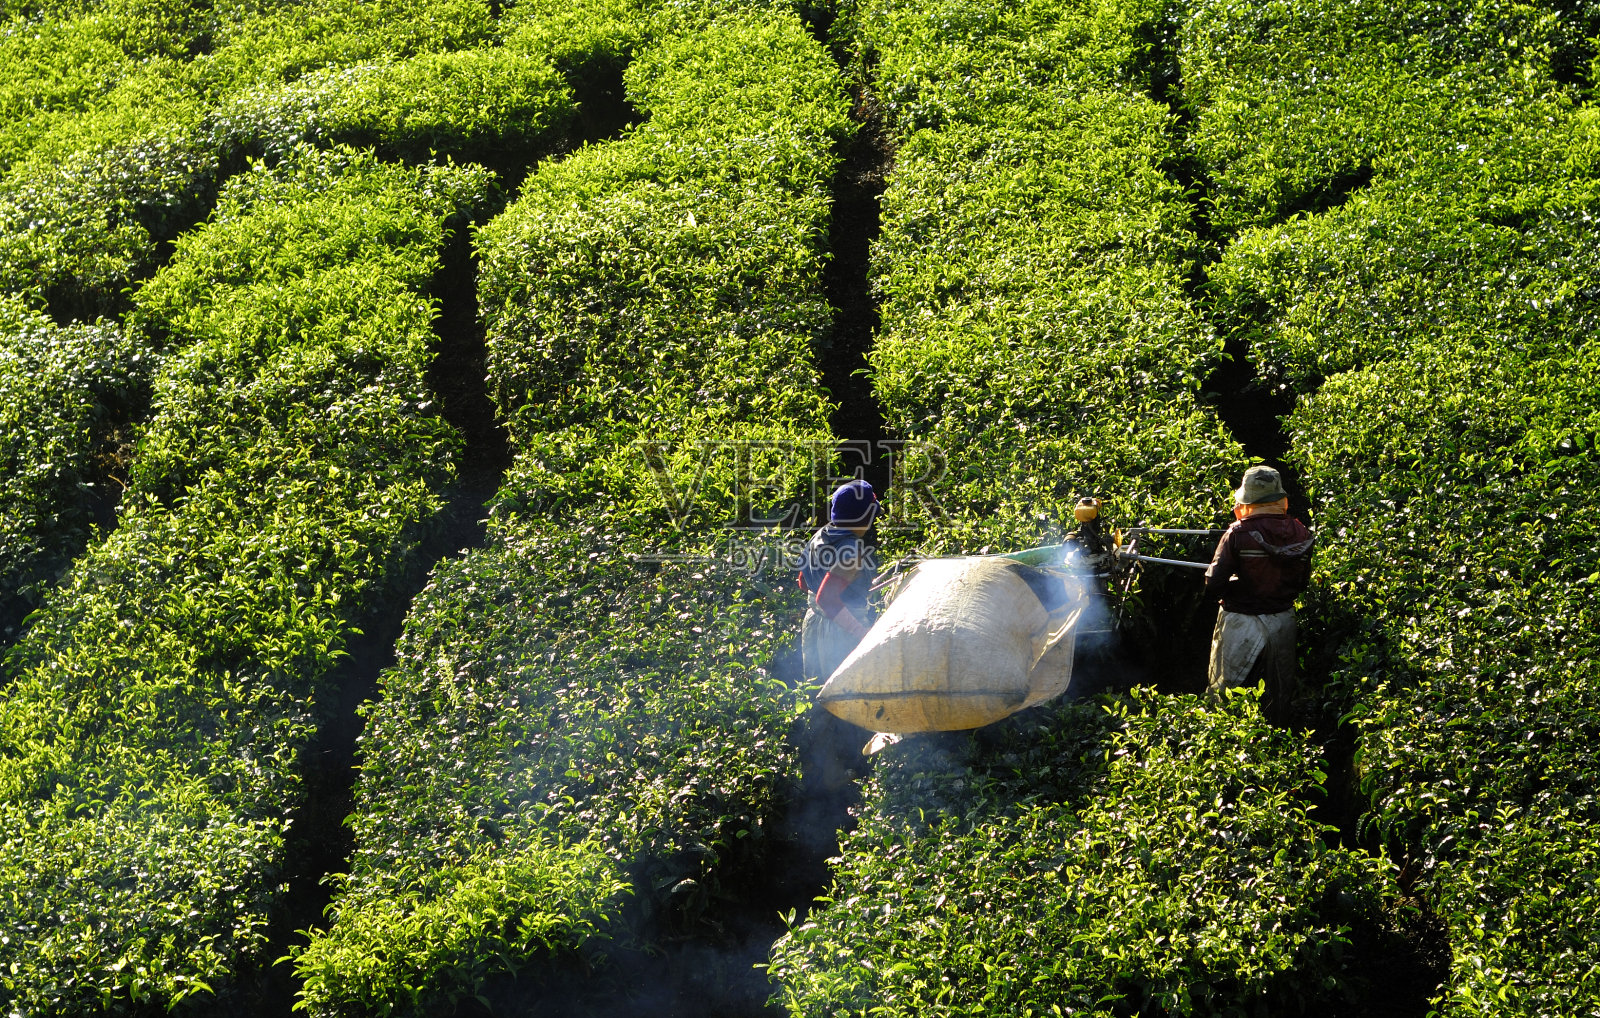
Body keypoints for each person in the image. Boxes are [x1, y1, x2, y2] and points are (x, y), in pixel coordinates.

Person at [1203, 464, 1314, 725]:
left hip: (1241, 622)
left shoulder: (1237, 533)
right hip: (1282, 621)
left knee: (1227, 694)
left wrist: (1234, 584)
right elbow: (1302, 583)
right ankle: (1276, 739)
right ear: (1280, 499)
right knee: (1277, 694)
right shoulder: (1301, 532)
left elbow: (1214, 583)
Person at [798, 479, 879, 683]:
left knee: (816, 690)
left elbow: (803, 581)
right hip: (840, 635)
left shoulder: (821, 534)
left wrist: (850, 587)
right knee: (846, 693)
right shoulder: (851, 552)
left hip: (813, 625)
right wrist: (863, 634)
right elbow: (826, 599)